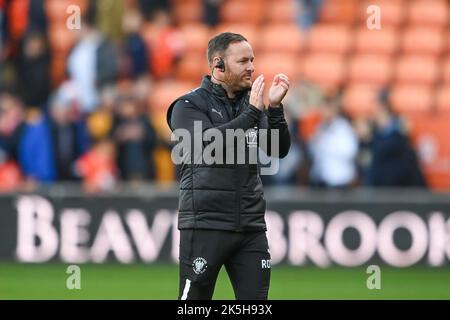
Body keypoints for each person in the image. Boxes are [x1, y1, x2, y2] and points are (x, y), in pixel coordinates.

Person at [166, 32, 291, 300]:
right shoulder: (187, 105)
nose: (251, 67)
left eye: (253, 60)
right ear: (218, 64)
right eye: (243, 61)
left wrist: (276, 108)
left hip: (250, 225)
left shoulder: (252, 105)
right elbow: (209, 145)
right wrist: (253, 114)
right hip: (205, 224)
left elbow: (277, 149)